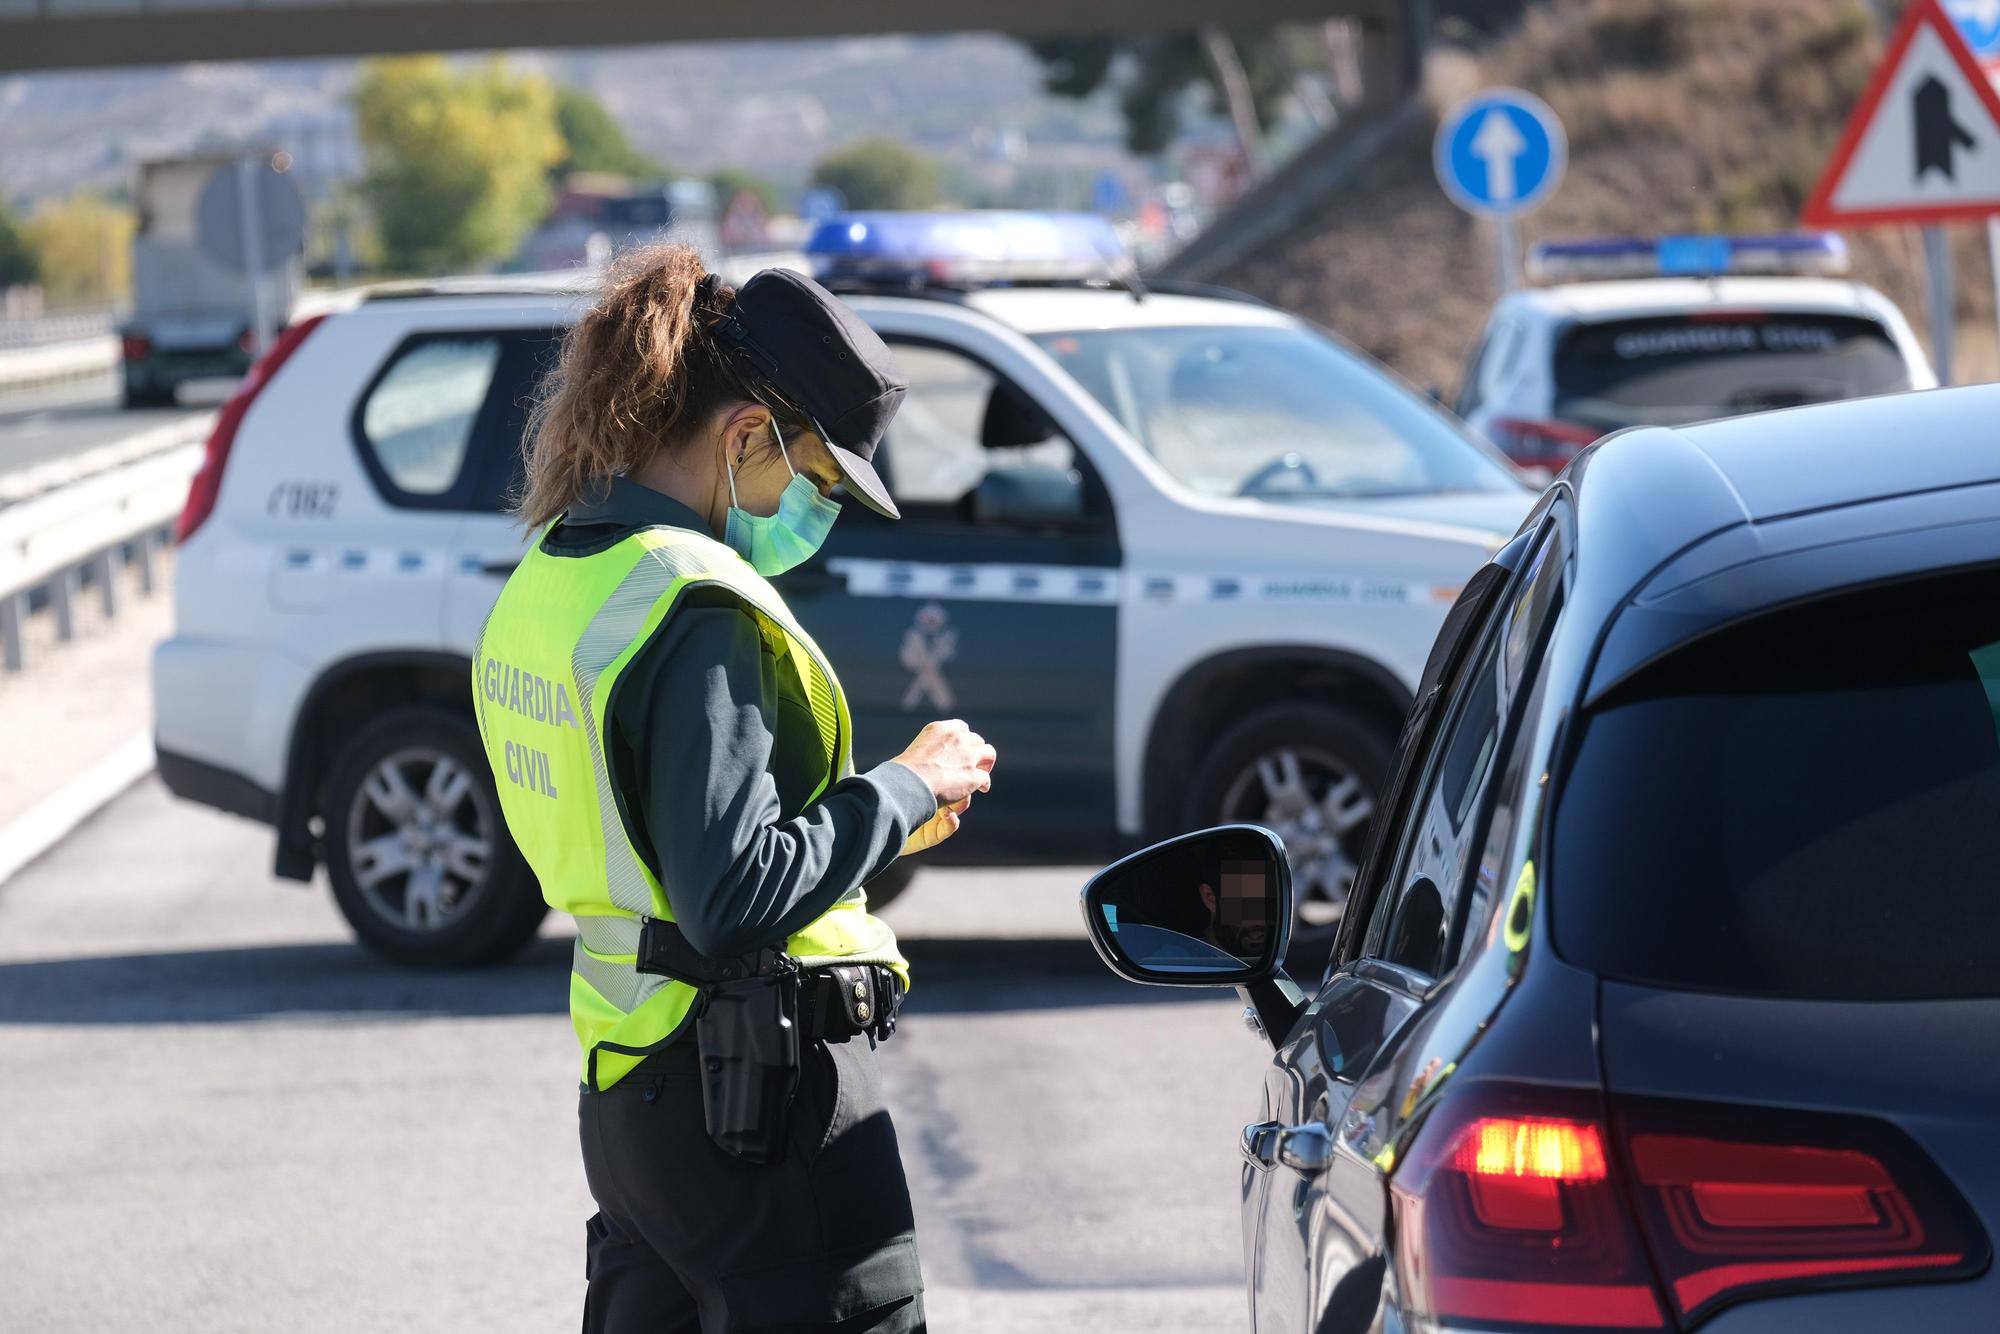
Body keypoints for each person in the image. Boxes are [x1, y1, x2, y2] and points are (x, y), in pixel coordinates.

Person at [471, 243, 996, 1333]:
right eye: (814, 477)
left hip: (635, 1095)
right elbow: (730, 895)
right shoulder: (698, 604)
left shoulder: (559, 571)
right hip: (756, 1099)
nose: (817, 509)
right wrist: (901, 788)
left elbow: (660, 843)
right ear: (745, 434)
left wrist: (870, 826)